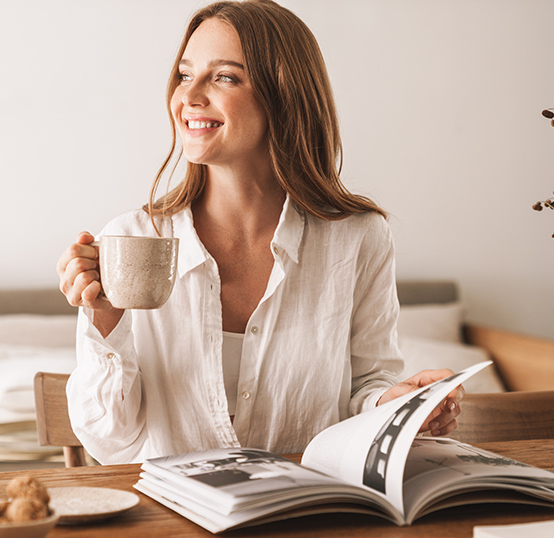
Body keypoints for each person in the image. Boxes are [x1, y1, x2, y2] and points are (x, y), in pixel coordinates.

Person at [56, 0, 464, 465]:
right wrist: (107, 323)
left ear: (283, 95)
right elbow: (110, 442)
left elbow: (366, 387)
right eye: (185, 75)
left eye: (224, 77)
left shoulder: (359, 238)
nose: (189, 97)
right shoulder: (132, 239)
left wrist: (395, 407)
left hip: (310, 515)